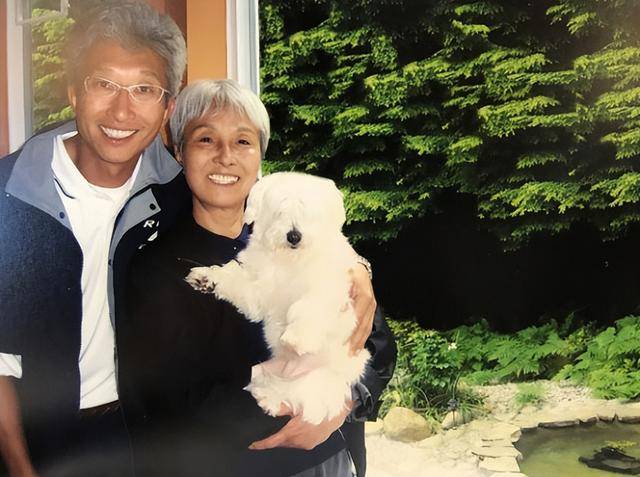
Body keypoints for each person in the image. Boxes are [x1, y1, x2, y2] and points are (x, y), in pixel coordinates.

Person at [0, 1, 379, 475]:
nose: (122, 109)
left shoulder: (182, 187)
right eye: (104, 84)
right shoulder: (11, 198)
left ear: (167, 107)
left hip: (146, 440)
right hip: (51, 440)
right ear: (75, 92)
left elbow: (285, 220)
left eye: (144, 88)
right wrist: (20, 469)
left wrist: (355, 267)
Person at [119, 79, 396, 477]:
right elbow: (173, 398)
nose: (225, 157)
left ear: (260, 155)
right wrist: (292, 414)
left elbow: (375, 344)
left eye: (243, 141)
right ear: (179, 150)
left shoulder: (302, 237)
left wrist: (344, 403)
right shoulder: (157, 270)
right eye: (205, 139)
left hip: (331, 461)